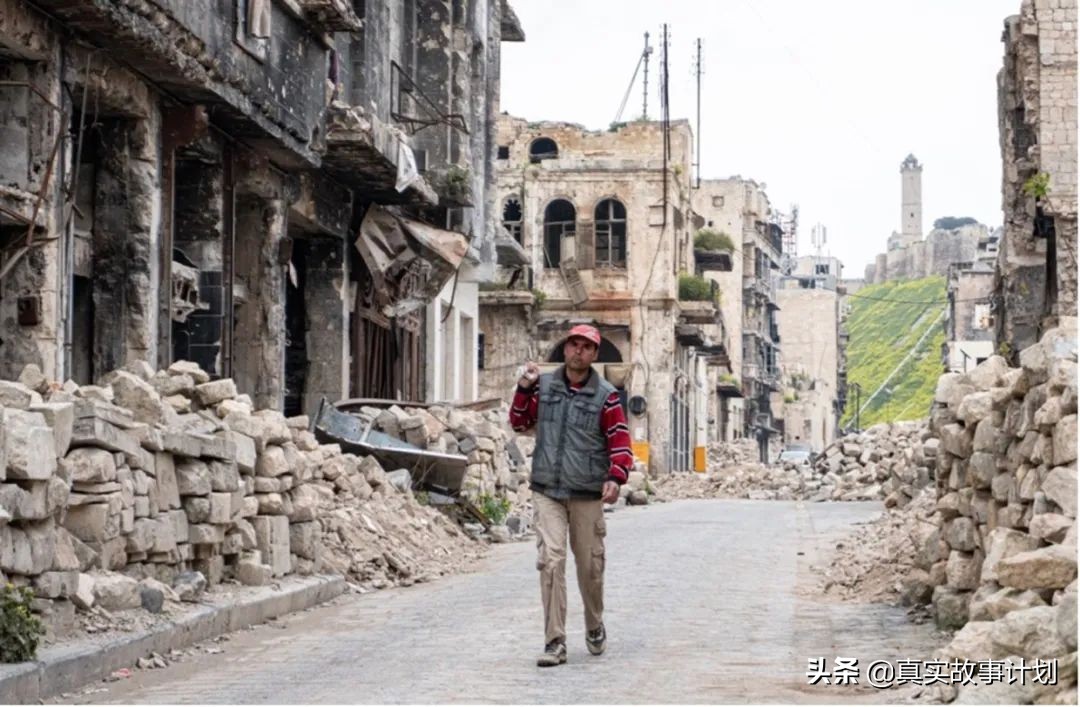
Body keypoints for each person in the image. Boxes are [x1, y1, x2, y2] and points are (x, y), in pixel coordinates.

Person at [509, 324, 634, 667]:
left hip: (586, 492)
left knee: (590, 568)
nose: (578, 351)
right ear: (565, 350)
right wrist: (523, 389)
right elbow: (519, 423)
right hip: (547, 489)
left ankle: (594, 624)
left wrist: (616, 476)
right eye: (573, 345)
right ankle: (555, 641)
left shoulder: (607, 396)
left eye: (586, 347)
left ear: (594, 355)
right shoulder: (543, 386)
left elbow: (620, 441)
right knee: (550, 561)